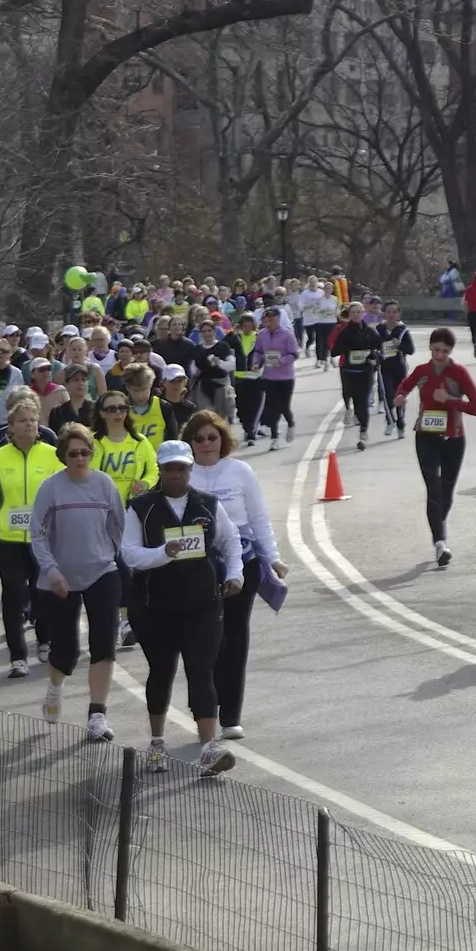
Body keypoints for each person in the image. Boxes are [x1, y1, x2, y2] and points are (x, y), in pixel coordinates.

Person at [122, 440, 243, 774]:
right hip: (154, 608)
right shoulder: (141, 507)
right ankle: (157, 743)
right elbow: (129, 552)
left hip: (202, 604)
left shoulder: (207, 504)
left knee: (202, 671)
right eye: (170, 468)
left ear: (191, 470)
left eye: (182, 468)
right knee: (162, 672)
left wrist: (235, 575)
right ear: (160, 470)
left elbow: (230, 542)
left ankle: (208, 749)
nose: (176, 474)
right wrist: (163, 552)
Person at [184, 411, 286, 740]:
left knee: (235, 638)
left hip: (244, 563)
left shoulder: (241, 471)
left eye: (212, 437)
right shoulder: (182, 475)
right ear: (190, 443)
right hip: (200, 567)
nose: (206, 444)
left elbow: (259, 518)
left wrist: (273, 558)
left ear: (222, 439)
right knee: (207, 640)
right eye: (198, 439)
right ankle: (205, 706)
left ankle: (231, 715)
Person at [31, 423, 126, 741]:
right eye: (73, 454)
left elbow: (118, 526)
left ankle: (97, 715)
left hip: (102, 573)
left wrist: (110, 556)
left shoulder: (104, 484)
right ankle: (55, 689)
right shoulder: (51, 488)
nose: (80, 458)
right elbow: (37, 534)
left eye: (86, 452)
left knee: (104, 645)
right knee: (66, 650)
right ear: (63, 456)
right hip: (61, 579)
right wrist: (52, 571)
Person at [0, 400, 62, 678]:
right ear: (10, 428)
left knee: (41, 591)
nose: (30, 424)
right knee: (13, 593)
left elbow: (63, 491)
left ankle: (45, 641)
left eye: (33, 419)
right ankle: (17, 656)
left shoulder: (52, 454)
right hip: (7, 537)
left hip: (42, 537)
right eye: (23, 420)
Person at [395, 328, 476, 566]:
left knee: (446, 490)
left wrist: (451, 401)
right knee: (433, 486)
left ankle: (438, 528)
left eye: (445, 351)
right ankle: (440, 543)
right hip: (426, 436)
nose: (440, 355)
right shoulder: (422, 371)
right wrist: (401, 396)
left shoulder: (459, 373)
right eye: (436, 350)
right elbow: (405, 385)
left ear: (451, 351)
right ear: (430, 348)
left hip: (454, 438)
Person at [95, 388, 160, 649]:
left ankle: (128, 622)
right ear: (102, 413)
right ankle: (117, 622)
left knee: (131, 568)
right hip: (104, 515)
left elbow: (153, 469)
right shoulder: (96, 442)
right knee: (115, 569)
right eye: (111, 409)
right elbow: (89, 475)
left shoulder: (139, 441)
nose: (118, 414)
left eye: (122, 408)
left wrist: (144, 483)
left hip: (134, 512)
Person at [332, 305, 383, 450]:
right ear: (349, 314)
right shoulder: (345, 331)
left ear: (363, 313)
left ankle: (363, 431)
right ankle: (350, 411)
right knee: (352, 397)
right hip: (349, 371)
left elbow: (379, 350)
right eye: (353, 312)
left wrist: (374, 356)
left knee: (363, 402)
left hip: (366, 372)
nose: (356, 315)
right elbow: (335, 351)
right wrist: (347, 348)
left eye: (359, 312)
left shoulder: (370, 331)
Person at [252, 308, 299, 450]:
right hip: (269, 376)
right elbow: (258, 351)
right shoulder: (261, 335)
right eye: (266, 321)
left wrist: (282, 361)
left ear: (278, 319)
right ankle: (274, 437)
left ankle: (291, 423)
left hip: (286, 376)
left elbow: (294, 354)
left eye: (272, 320)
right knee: (272, 407)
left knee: (284, 406)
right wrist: (256, 363)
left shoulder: (287, 334)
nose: (269, 323)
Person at [376, 301, 415, 438]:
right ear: (384, 314)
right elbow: (373, 347)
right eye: (388, 312)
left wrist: (399, 346)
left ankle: (400, 423)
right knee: (388, 396)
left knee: (399, 397)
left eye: (394, 312)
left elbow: (411, 350)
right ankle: (390, 421)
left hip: (399, 368)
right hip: (385, 369)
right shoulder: (379, 330)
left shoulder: (403, 330)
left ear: (398, 314)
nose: (391, 314)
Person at [228, 312, 264, 447]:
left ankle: (251, 433)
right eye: (244, 325)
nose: (247, 327)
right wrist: (233, 333)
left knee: (255, 407)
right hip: (239, 378)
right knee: (241, 408)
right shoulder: (236, 338)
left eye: (249, 325)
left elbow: (268, 353)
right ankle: (247, 427)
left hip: (256, 378)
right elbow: (223, 346)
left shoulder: (260, 338)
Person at [48, 362, 98, 432]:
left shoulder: (97, 408)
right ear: (66, 384)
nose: (80, 383)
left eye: (83, 379)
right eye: (76, 380)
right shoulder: (57, 413)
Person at [26, 357, 70, 427]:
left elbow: (69, 412)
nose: (46, 372)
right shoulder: (27, 394)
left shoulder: (61, 390)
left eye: (49, 369)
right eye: (41, 370)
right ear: (32, 374)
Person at [307, 282, 340, 370]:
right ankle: (319, 359)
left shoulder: (335, 299)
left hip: (332, 322)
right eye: (326, 288)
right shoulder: (319, 299)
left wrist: (334, 313)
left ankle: (330, 359)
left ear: (332, 290)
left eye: (330, 288)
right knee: (320, 341)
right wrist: (321, 312)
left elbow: (338, 311)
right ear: (324, 289)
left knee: (330, 342)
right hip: (321, 322)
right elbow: (313, 311)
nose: (328, 290)